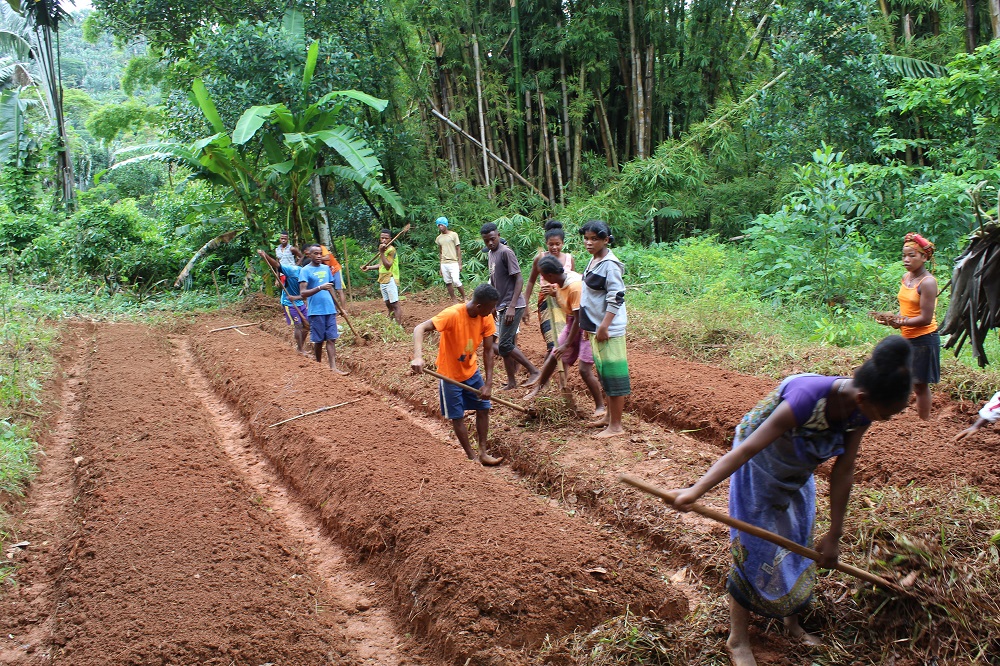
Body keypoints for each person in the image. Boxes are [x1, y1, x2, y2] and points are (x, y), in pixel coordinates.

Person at [669, 336, 913, 666]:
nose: (886, 420)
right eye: (887, 414)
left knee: (798, 539)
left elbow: (844, 470)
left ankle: (791, 620)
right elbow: (746, 449)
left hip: (798, 468)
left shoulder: (861, 413)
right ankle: (737, 639)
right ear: (863, 397)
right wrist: (695, 491)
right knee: (753, 546)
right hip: (759, 464)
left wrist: (835, 535)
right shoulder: (804, 400)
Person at [410, 284, 503, 466]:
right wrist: (418, 357)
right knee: (457, 415)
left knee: (483, 408)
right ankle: (471, 457)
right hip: (449, 376)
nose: (493, 311)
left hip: (471, 371)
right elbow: (419, 328)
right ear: (478, 307)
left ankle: (483, 452)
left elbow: (488, 351)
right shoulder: (452, 314)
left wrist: (488, 384)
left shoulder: (486, 318)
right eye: (490, 307)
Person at [523, 255, 605, 418]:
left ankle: (600, 406)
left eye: (543, 276)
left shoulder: (574, 286)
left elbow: (579, 319)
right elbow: (570, 313)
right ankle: (538, 388)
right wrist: (554, 294)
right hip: (572, 321)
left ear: (551, 275)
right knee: (554, 355)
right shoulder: (559, 282)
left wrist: (567, 344)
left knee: (584, 370)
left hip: (588, 326)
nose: (543, 279)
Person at [872, 232, 939, 420]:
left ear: (924, 257)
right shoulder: (905, 277)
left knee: (920, 384)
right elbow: (907, 310)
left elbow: (925, 318)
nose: (906, 259)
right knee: (899, 377)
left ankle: (924, 424)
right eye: (904, 255)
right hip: (906, 336)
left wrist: (899, 321)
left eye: (912, 255)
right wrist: (892, 320)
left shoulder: (928, 283)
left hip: (924, 338)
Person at [578, 220, 629, 438]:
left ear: (606, 240)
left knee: (614, 375)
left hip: (608, 329)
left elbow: (616, 296)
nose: (589, 243)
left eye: (594, 239)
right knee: (603, 373)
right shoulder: (595, 260)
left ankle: (616, 426)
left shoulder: (610, 264)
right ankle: (609, 416)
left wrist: (604, 326)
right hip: (596, 327)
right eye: (586, 238)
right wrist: (587, 324)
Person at [481, 222, 540, 390]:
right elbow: (494, 281)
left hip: (512, 304)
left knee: (505, 345)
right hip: (501, 305)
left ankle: (534, 371)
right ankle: (512, 382)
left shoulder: (506, 252)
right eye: (486, 241)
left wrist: (512, 306)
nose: (490, 243)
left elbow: (519, 279)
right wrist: (493, 304)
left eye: (492, 239)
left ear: (498, 235)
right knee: (505, 347)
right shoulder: (491, 254)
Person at [523, 220, 574, 354]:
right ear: (546, 244)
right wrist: (525, 305)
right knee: (551, 336)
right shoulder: (540, 258)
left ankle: (562, 360)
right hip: (546, 301)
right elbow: (531, 282)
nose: (554, 247)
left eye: (557, 244)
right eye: (551, 244)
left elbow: (572, 281)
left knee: (565, 332)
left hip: (564, 301)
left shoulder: (569, 259)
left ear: (563, 243)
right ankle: (553, 358)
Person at [298, 244, 348, 375]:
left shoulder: (326, 269)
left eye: (320, 253)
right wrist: (319, 288)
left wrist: (339, 308)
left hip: (329, 309)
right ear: (309, 255)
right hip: (316, 311)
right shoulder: (305, 271)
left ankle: (333, 367)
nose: (319, 256)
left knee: (332, 339)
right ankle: (319, 366)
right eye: (315, 253)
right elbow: (303, 293)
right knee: (319, 340)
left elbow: (331, 289)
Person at [257, 248, 309, 356]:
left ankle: (300, 347)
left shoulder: (310, 275)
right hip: (289, 302)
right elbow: (277, 264)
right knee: (298, 325)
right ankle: (300, 349)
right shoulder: (292, 270)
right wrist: (265, 255)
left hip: (299, 302)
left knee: (307, 326)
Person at [362, 228, 403, 325]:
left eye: (386, 238)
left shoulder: (391, 250)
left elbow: (388, 266)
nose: (384, 240)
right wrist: (369, 267)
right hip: (383, 279)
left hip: (391, 278)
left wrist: (381, 253)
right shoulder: (384, 250)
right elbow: (381, 265)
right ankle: (391, 323)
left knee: (395, 304)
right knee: (388, 304)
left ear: (390, 239)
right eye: (382, 238)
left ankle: (398, 326)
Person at [435, 217, 466, 302]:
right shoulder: (438, 238)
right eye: (438, 225)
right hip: (444, 263)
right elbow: (440, 251)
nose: (440, 227)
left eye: (441, 225)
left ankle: (464, 298)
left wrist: (460, 263)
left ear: (446, 225)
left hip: (453, 262)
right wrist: (440, 266)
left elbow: (458, 248)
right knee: (448, 282)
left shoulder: (453, 235)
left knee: (456, 281)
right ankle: (454, 300)